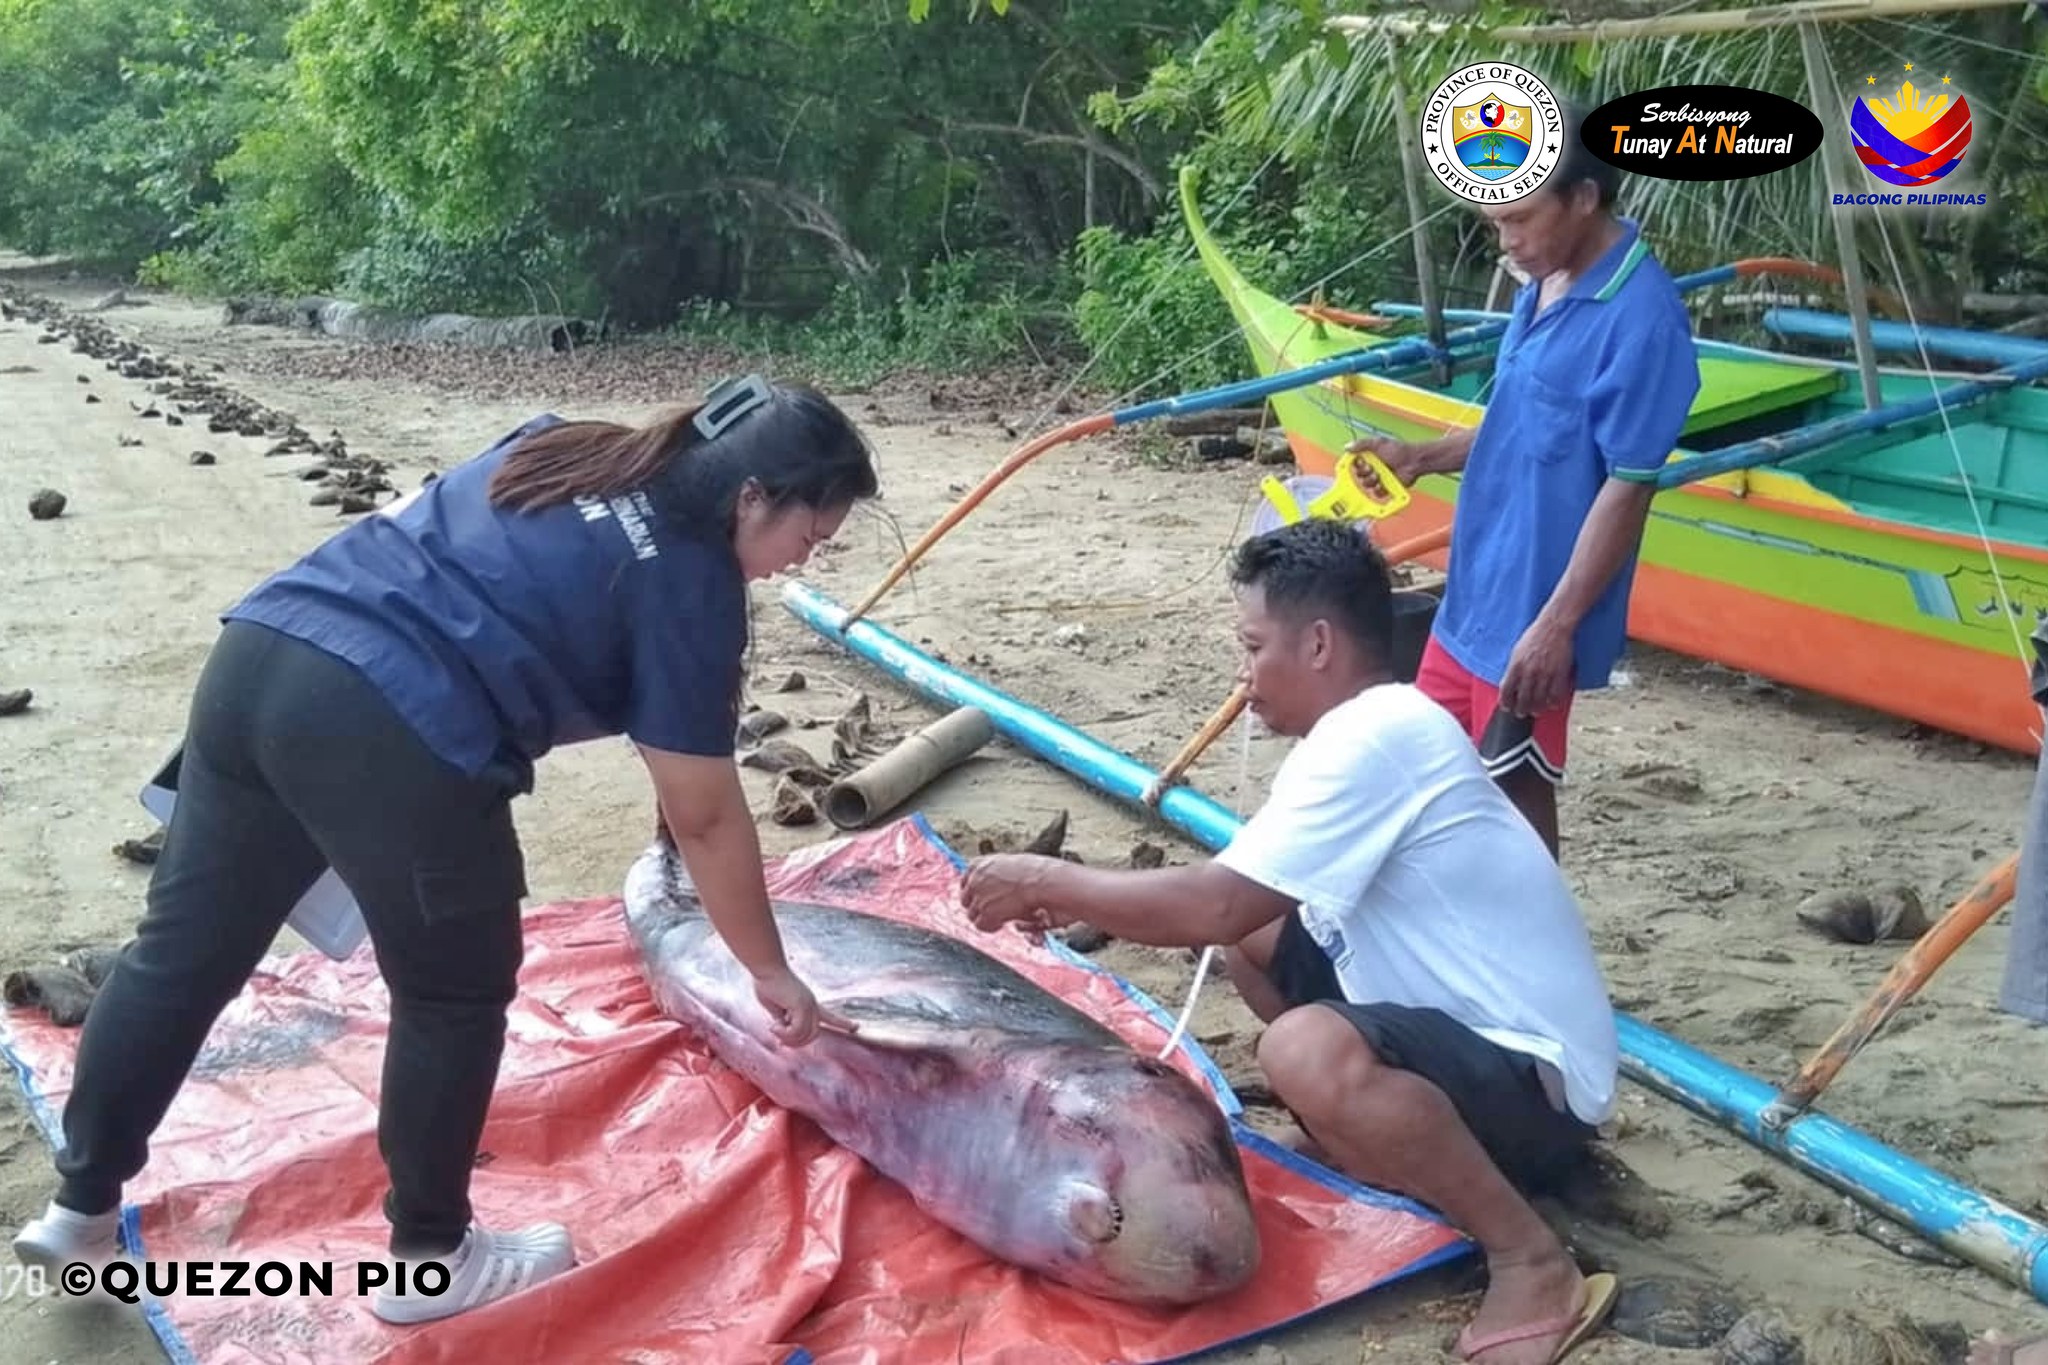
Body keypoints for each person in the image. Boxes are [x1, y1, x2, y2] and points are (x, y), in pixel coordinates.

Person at [10, 375, 881, 1323]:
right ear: (752, 495)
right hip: (393, 722)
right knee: (456, 989)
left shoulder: (569, 442)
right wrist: (769, 968)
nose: (798, 562)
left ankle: (80, 1207)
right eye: (810, 535)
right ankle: (428, 1255)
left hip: (264, 653)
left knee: (181, 954)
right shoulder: (690, 584)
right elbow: (705, 814)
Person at [963, 519, 1622, 1365]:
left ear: (1317, 643)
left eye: (1253, 645)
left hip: (1537, 1085)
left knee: (1300, 1047)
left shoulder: (1376, 734)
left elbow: (1216, 904)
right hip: (1476, 1041)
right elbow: (1245, 912)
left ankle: (1529, 1257)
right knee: (1265, 939)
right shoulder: (1371, 727)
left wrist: (1050, 881)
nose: (1244, 676)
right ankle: (1386, 1144)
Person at [1353, 105, 1702, 860]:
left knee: (1515, 791)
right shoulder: (1543, 279)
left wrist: (1556, 627)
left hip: (1535, 610)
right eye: (1493, 224)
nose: (1508, 242)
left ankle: (1532, 961)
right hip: (1473, 592)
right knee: (1427, 765)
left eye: (1519, 219)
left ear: (1583, 198)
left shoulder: (1641, 321)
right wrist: (1422, 455)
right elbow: (1527, 421)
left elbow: (1627, 487)